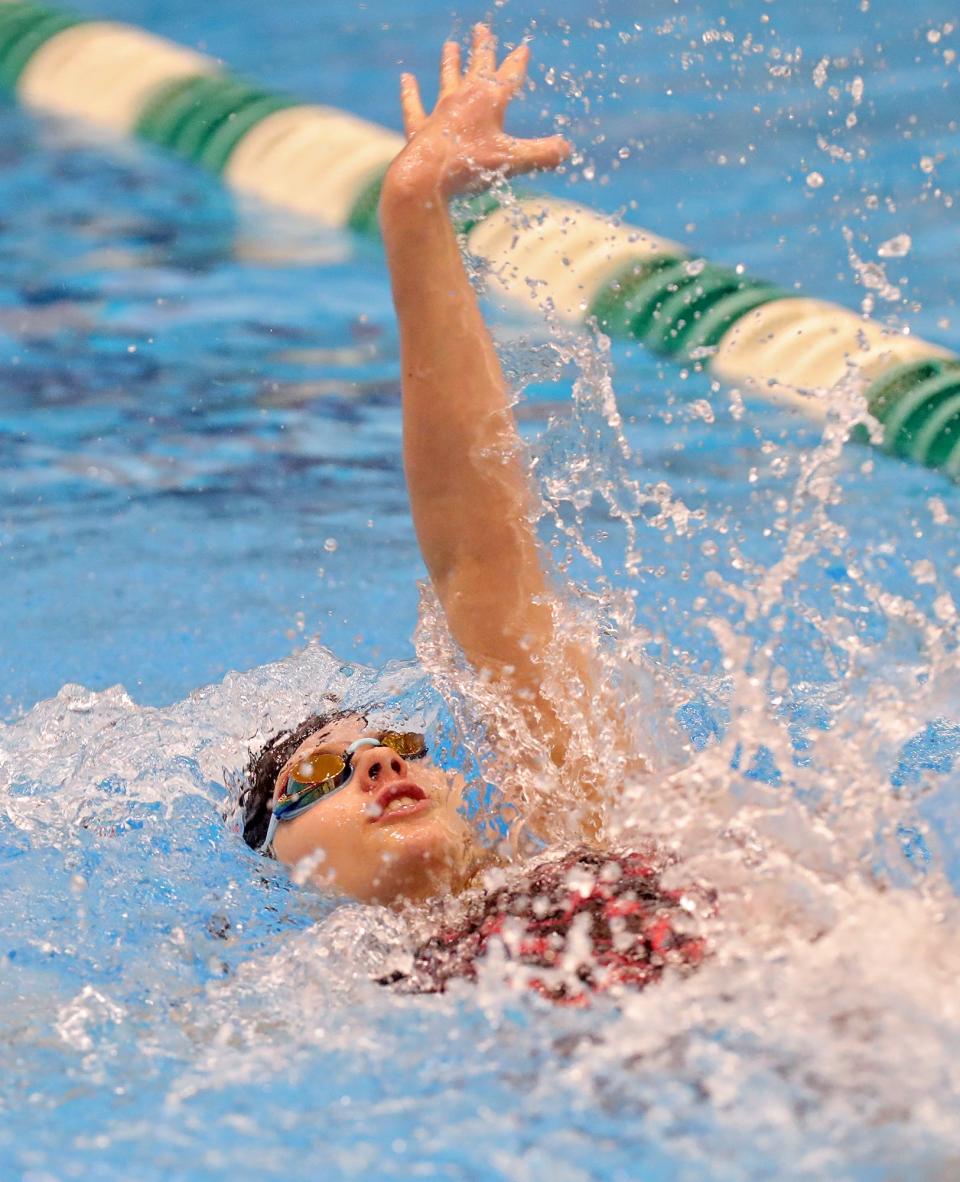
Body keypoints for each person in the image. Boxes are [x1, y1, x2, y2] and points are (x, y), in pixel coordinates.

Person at [238, 26, 707, 1001]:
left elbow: (478, 554)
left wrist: (413, 208)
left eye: (395, 749)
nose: (372, 764)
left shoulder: (581, 830)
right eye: (315, 780)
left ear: (459, 788)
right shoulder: (341, 1002)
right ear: (283, 867)